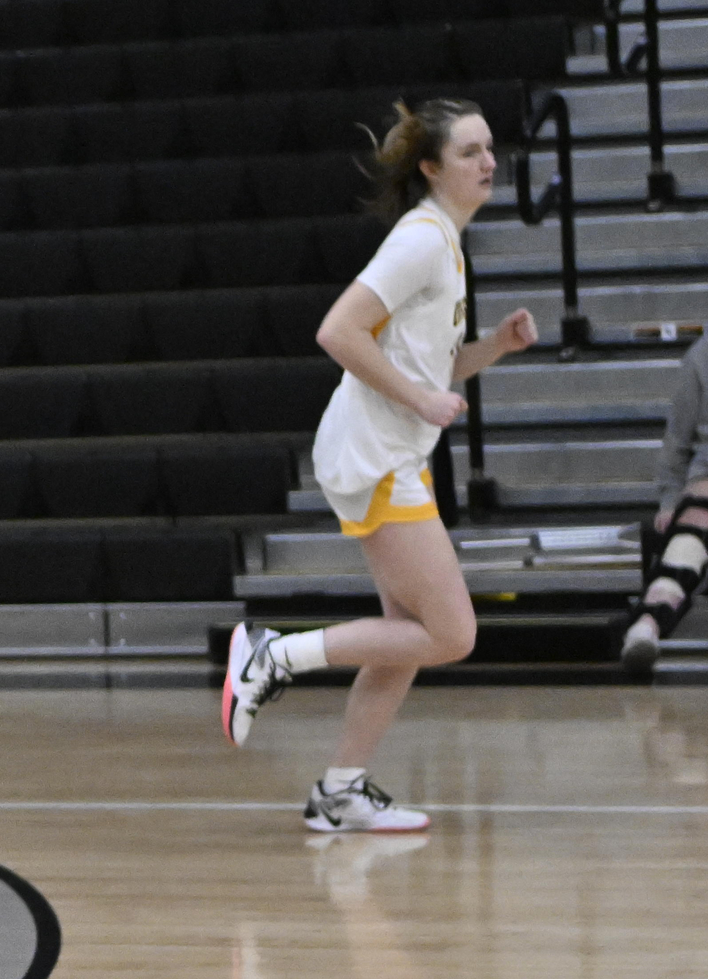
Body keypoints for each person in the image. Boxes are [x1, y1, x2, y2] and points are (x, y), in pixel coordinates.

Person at [221, 100, 537, 831]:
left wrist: (494, 348)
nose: (488, 162)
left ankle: (340, 791)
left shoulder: (445, 243)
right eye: (469, 152)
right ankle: (272, 656)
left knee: (405, 640)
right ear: (430, 168)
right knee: (453, 634)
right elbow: (338, 330)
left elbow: (425, 360)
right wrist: (423, 401)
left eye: (490, 149)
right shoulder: (422, 241)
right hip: (376, 456)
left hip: (391, 454)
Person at [622, 265, 708, 675]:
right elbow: (677, 441)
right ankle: (646, 627)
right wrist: (671, 499)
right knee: (689, 539)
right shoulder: (701, 358)